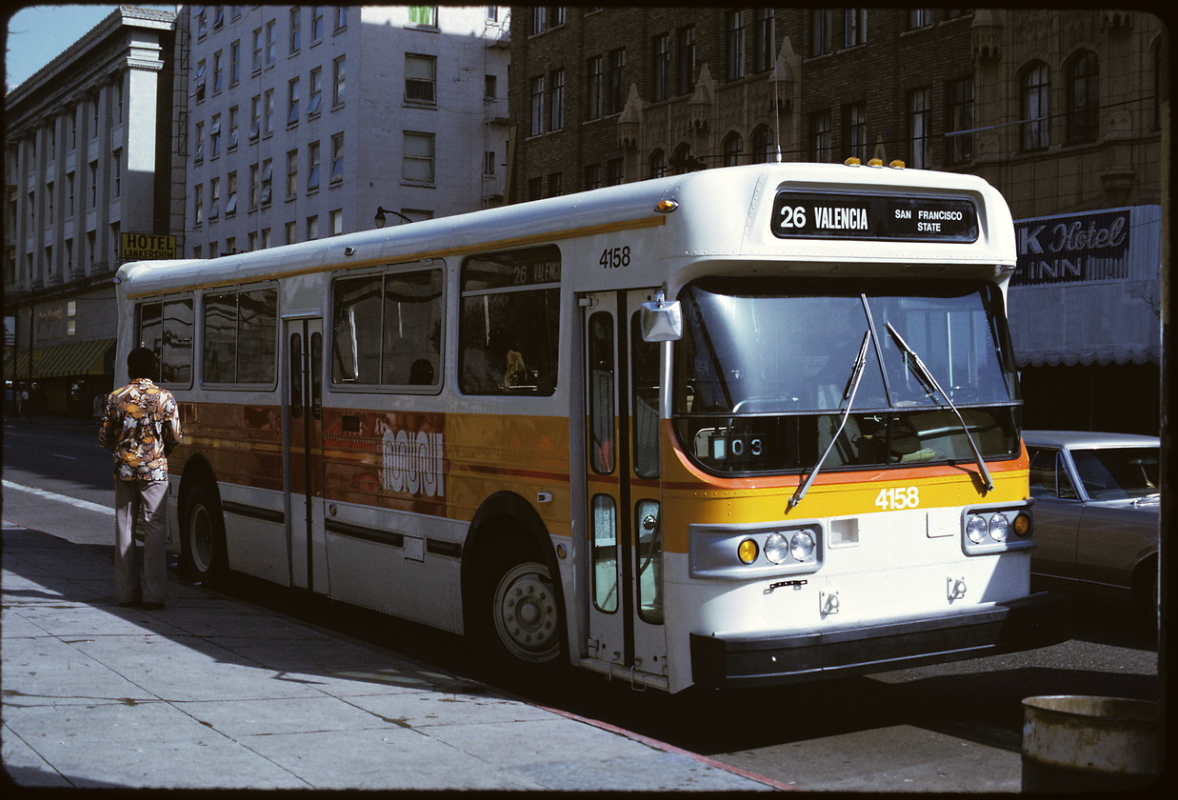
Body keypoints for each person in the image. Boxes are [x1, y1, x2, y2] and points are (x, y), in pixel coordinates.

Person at [98, 347, 182, 610]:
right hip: (155, 470)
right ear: (152, 370)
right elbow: (175, 436)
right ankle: (154, 594)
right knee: (155, 528)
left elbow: (104, 437)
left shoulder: (116, 398)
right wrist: (159, 451)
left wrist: (121, 450)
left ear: (129, 368)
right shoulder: (164, 398)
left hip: (124, 470)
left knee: (124, 528)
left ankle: (126, 593)